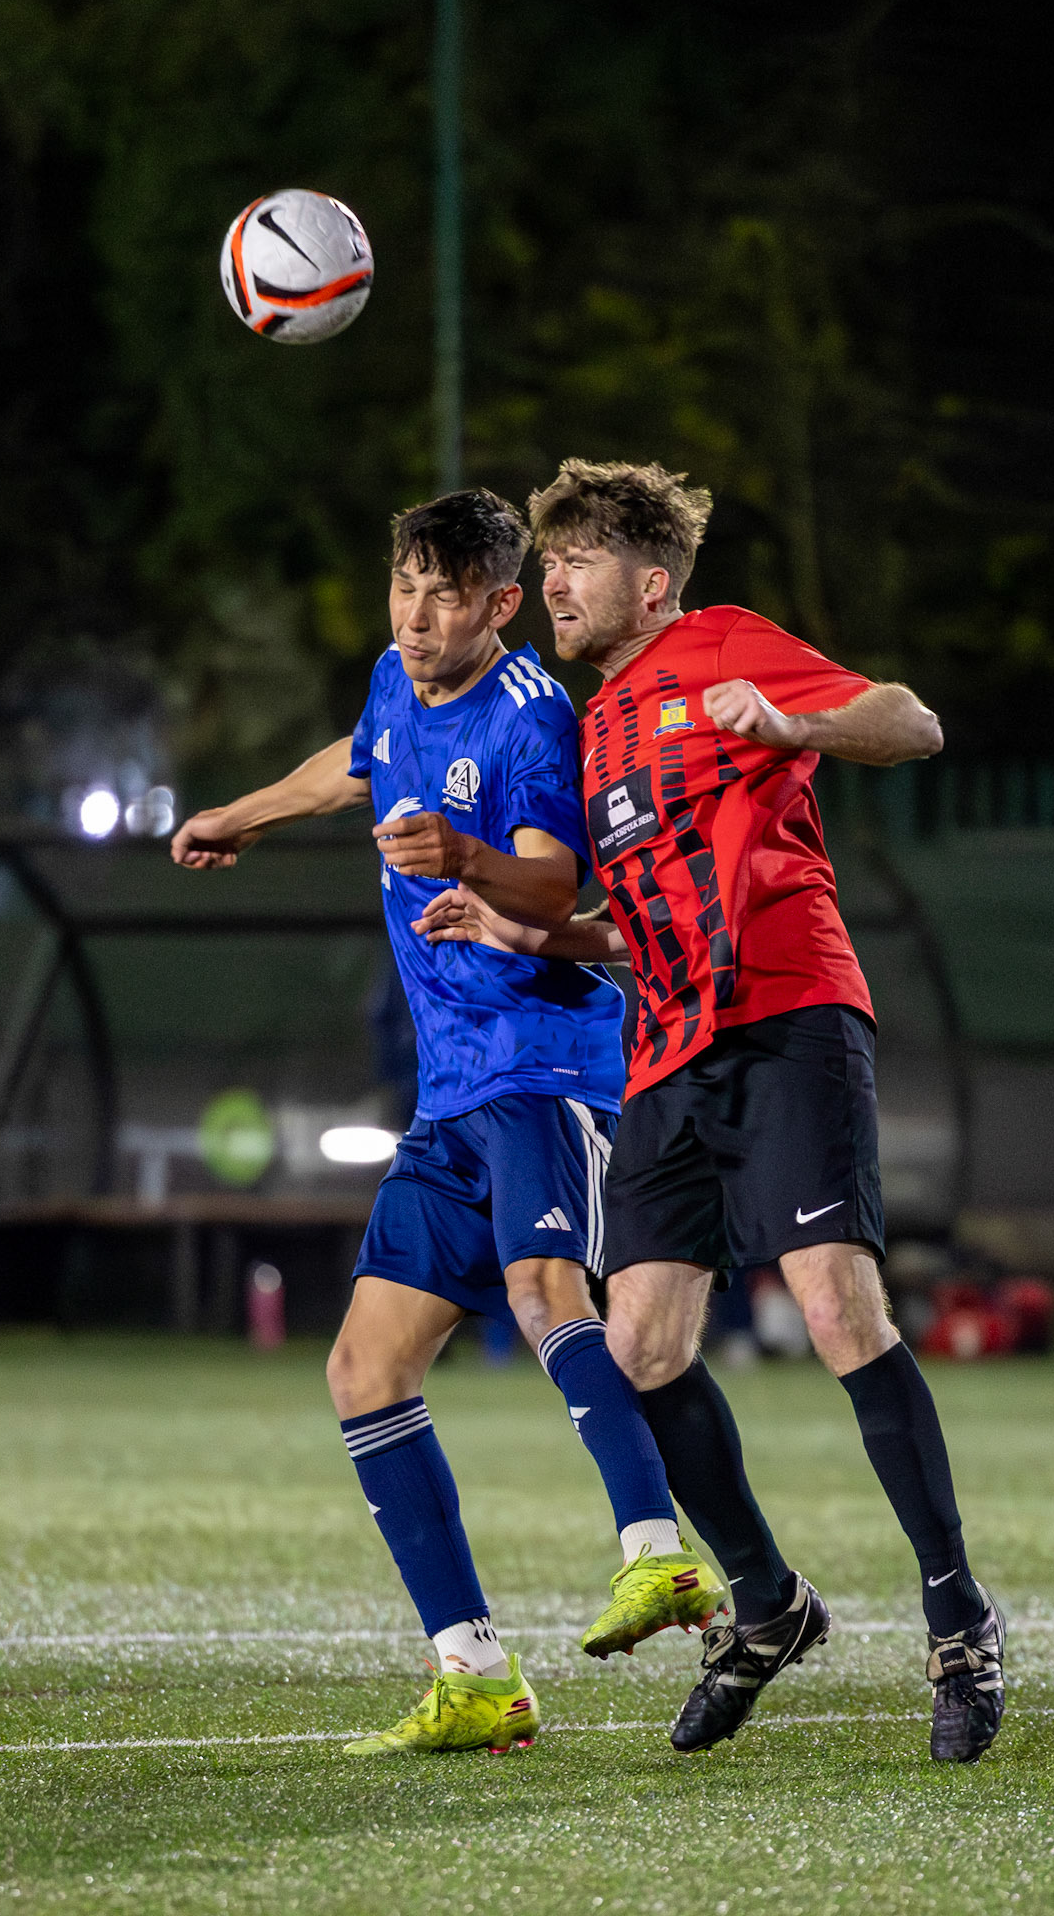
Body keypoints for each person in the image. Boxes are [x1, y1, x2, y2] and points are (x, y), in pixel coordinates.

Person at [418, 461, 1005, 1763]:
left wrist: (794, 723)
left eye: (577, 560)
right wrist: (526, 928)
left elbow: (911, 723)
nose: (554, 583)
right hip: (669, 1050)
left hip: (788, 1012)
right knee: (639, 1347)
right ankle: (769, 1601)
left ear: (652, 583)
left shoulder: (722, 643)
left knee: (835, 1303)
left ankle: (958, 1616)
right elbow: (631, 925)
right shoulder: (597, 727)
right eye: (550, 562)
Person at [171, 488, 720, 1757]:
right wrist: (240, 815)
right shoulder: (394, 678)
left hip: (547, 1061)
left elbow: (554, 882)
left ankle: (657, 1550)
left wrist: (462, 857)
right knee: (363, 1369)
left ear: (501, 604)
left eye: (445, 596)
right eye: (404, 589)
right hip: (452, 1085)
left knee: (541, 1286)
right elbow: (356, 759)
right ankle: (473, 1673)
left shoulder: (532, 717)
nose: (416, 618)